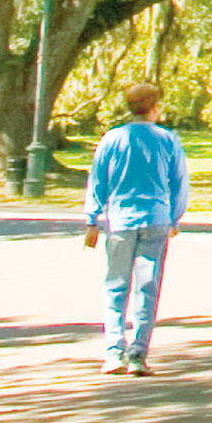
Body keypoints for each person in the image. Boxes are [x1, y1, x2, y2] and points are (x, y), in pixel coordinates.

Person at [82, 82, 191, 376]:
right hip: (156, 218)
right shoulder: (168, 139)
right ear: (154, 107)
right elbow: (180, 181)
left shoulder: (112, 139)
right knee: (147, 286)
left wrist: (92, 218)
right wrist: (175, 216)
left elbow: (98, 181)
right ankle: (138, 354)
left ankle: (113, 352)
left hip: (120, 220)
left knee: (116, 286)